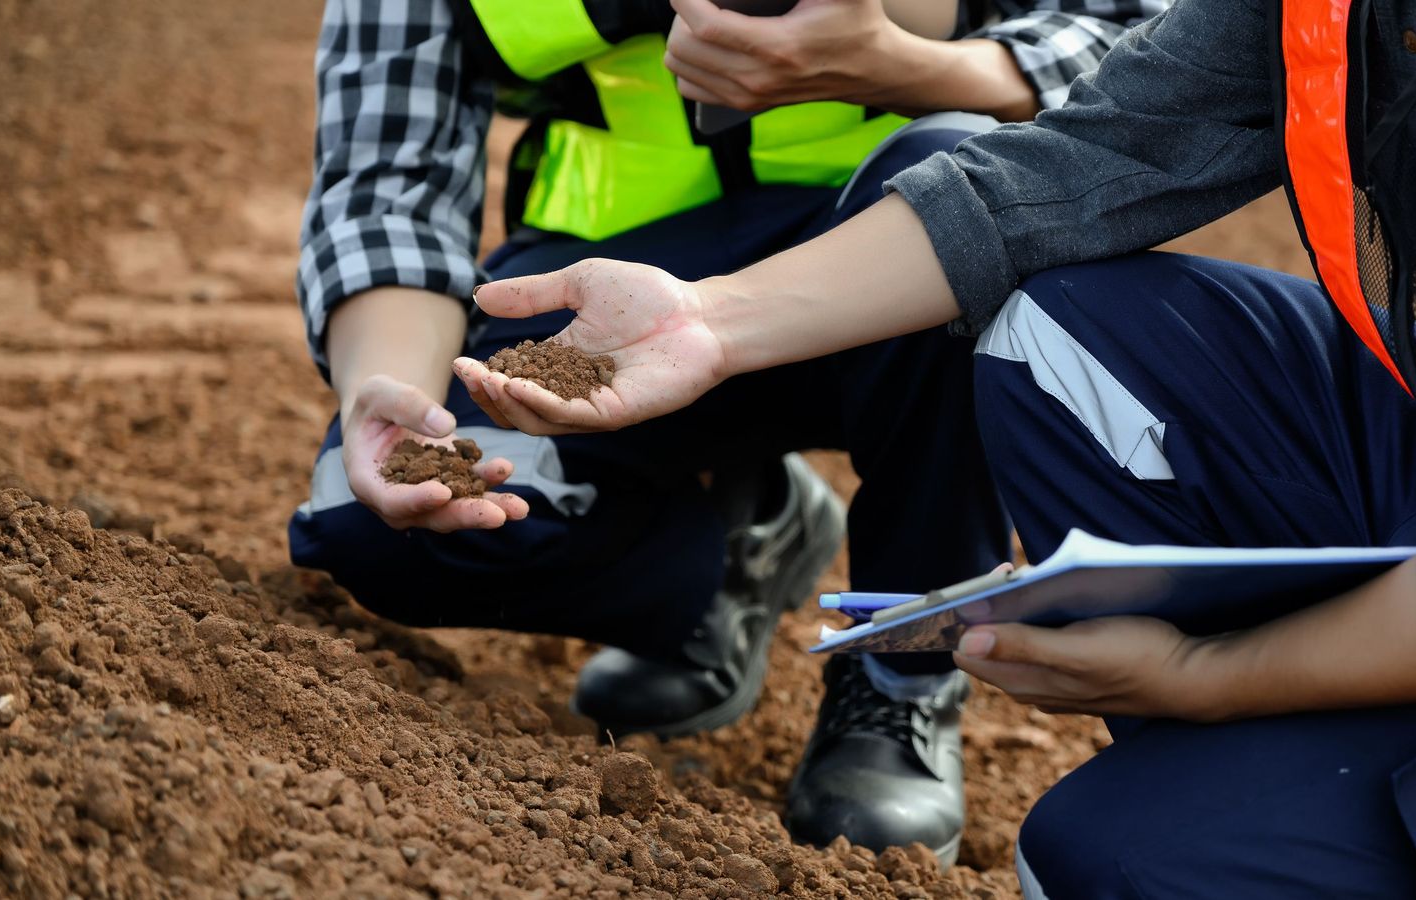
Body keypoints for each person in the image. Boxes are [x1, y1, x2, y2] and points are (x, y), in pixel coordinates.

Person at [453, 0, 1416, 894]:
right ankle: (1338, 746)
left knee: (1118, 862)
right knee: (1059, 326)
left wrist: (1205, 679)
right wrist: (711, 321)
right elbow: (1087, 161)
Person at [292, 0, 1164, 863]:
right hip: (612, 298)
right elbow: (386, 177)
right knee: (374, 513)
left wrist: (910, 66)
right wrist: (405, 401)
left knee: (973, 183)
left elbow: (1145, 45)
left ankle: (902, 667)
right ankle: (736, 535)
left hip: (891, 262)